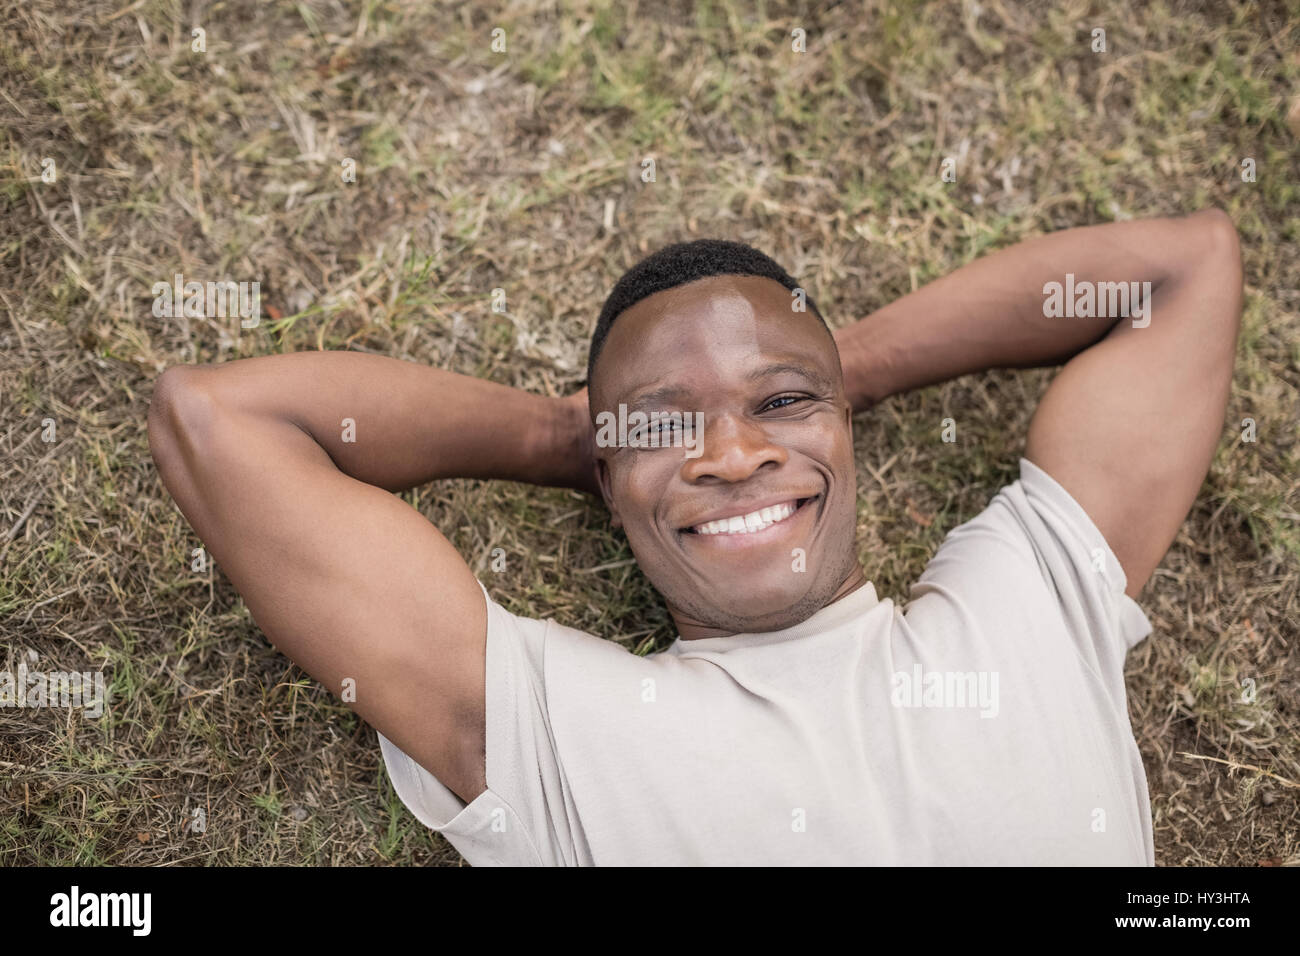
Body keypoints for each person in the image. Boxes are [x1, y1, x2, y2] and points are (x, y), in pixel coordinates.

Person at [148, 208, 1243, 865]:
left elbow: (1185, 268)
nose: (729, 452)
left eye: (777, 406)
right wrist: (554, 434)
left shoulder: (1029, 606)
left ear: (844, 429)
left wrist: (833, 369)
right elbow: (217, 420)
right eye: (667, 427)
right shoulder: (545, 731)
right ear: (608, 481)